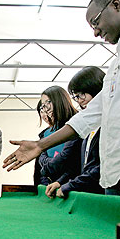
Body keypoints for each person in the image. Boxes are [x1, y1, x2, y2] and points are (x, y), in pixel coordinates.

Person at [3, 0, 120, 205]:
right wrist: (40, 145)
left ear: (116, 4)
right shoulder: (116, 65)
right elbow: (90, 115)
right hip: (119, 174)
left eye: (95, 22)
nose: (95, 32)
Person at [44, 66, 105, 198]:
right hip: (87, 195)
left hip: (102, 195)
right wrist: (61, 182)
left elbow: (101, 168)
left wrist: (70, 185)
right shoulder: (88, 127)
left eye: (82, 94)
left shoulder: (109, 124)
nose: (80, 100)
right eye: (76, 96)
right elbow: (81, 165)